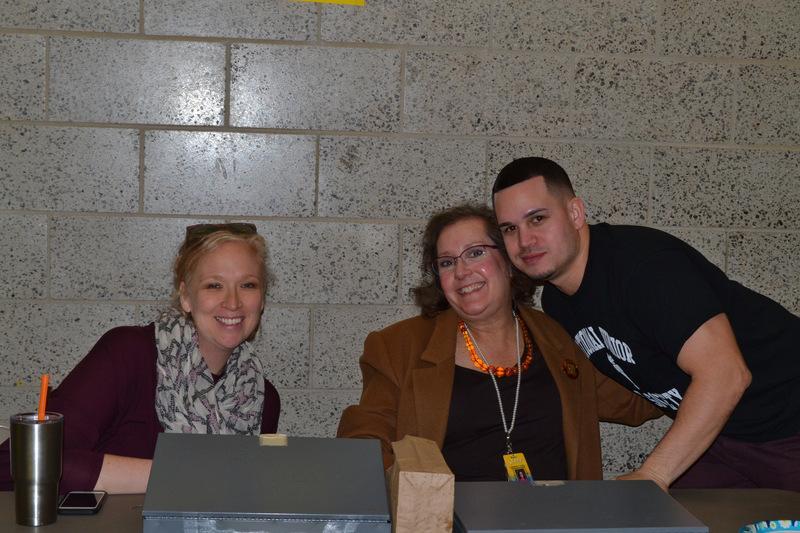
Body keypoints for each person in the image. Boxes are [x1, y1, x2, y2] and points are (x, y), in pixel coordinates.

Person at [492, 156, 800, 491]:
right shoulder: (558, 302)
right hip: (725, 438)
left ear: (575, 213)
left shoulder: (644, 269)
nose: (525, 241)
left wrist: (653, 473)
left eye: (537, 219)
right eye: (510, 229)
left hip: (789, 422)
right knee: (656, 515)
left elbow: (726, 375)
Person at [338, 205, 661, 481]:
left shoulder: (560, 337)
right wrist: (402, 497)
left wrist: (658, 318)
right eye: (447, 262)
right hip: (449, 521)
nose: (461, 271)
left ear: (508, 262)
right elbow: (365, 438)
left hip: (559, 519)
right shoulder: (397, 346)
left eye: (475, 253)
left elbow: (638, 401)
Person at [0, 223, 280, 494]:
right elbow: (19, 462)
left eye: (248, 285)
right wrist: (183, 475)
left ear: (262, 300)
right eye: (214, 285)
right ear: (186, 296)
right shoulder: (127, 355)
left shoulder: (261, 398)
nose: (233, 302)